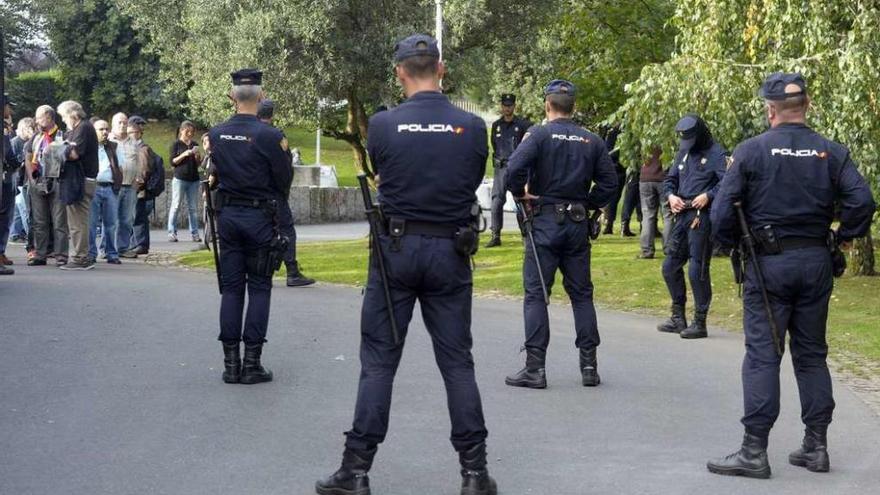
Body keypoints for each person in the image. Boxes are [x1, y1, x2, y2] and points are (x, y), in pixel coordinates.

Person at [316, 35, 497, 495]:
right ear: (441, 69)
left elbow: (385, 172)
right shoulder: (473, 127)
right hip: (450, 251)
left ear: (400, 72)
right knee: (457, 362)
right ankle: (474, 473)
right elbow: (471, 178)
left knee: (378, 362)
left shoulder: (382, 125)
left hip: (395, 252)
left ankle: (355, 470)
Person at [706, 73, 876, 479]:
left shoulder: (751, 151)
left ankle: (754, 450)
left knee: (764, 354)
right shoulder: (831, 152)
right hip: (816, 261)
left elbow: (721, 212)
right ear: (808, 105)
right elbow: (863, 201)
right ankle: (816, 446)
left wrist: (733, 245)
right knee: (812, 353)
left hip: (768, 266)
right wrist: (843, 237)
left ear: (770, 110)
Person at [503, 79, 618, 390]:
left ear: (546, 105)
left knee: (537, 294)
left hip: (544, 221)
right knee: (582, 294)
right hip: (577, 224)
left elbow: (513, 170)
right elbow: (610, 183)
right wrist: (587, 203)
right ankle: (590, 366)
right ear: (574, 107)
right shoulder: (591, 140)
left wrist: (519, 195)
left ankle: (535, 368)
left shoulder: (538, 135)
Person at [207, 69, 291, 386]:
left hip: (228, 217)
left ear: (232, 96)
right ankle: (252, 362)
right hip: (259, 218)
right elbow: (284, 179)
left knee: (231, 289)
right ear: (261, 94)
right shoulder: (271, 136)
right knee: (258, 288)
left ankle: (231, 364)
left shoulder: (216, 134)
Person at [656, 114, 726, 338]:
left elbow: (728, 182)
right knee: (669, 266)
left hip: (701, 216)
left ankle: (699, 321)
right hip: (682, 214)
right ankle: (678, 317)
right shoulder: (682, 153)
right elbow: (669, 180)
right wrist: (670, 196)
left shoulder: (717, 153)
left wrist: (709, 195)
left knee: (697, 270)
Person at [256, 99, 315, 287]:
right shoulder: (276, 135)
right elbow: (284, 167)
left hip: (252, 193)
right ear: (272, 115)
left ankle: (259, 269)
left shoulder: (248, 133)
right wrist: (284, 190)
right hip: (274, 193)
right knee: (286, 229)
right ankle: (292, 270)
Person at [56, 100, 99, 271]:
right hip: (78, 180)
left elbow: (74, 154)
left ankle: (81, 258)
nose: (64, 120)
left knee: (78, 221)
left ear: (73, 114)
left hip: (81, 181)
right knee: (76, 220)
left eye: (64, 117)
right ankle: (82, 255)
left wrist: (59, 149)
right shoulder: (77, 129)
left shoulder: (83, 128)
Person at [26, 105, 69, 267]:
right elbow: (28, 156)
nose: (36, 121)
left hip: (57, 181)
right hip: (38, 181)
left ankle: (61, 255)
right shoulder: (36, 137)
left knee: (59, 221)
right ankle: (40, 254)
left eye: (39, 117)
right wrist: (31, 179)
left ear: (49, 118)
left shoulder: (62, 135)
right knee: (39, 221)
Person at [486, 93, 531, 247]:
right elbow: (495, 144)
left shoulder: (523, 125)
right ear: (501, 106)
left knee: (520, 200)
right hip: (500, 168)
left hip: (517, 168)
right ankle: (495, 235)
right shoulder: (496, 125)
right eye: (505, 105)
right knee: (496, 202)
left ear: (514, 106)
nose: (507, 108)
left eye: (510, 105)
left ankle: (526, 234)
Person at [88, 120, 123, 264]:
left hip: (109, 187)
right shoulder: (89, 147)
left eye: (106, 129)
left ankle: (111, 253)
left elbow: (120, 168)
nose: (105, 132)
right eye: (101, 129)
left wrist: (117, 185)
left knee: (111, 223)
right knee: (91, 223)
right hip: (93, 187)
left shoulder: (114, 147)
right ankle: (91, 253)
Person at [121, 116, 154, 258]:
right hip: (134, 187)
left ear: (138, 133)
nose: (128, 136)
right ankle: (136, 244)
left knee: (138, 217)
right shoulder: (133, 147)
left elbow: (144, 169)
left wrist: (138, 185)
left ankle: (140, 245)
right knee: (135, 217)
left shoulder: (142, 149)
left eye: (131, 133)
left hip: (138, 189)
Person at [167, 120, 202, 243]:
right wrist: (184, 154)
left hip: (193, 179)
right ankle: (172, 232)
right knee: (176, 205)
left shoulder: (195, 144)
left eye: (192, 132)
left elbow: (199, 164)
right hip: (180, 178)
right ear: (182, 130)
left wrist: (197, 157)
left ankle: (195, 233)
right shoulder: (176, 144)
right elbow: (172, 161)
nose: (190, 134)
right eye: (188, 131)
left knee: (193, 208)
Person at [109, 112, 138, 255]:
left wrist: (136, 180)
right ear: (113, 124)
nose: (122, 125)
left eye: (125, 123)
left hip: (130, 186)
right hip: (113, 186)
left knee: (126, 220)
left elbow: (137, 162)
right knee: (110, 220)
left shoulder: (133, 142)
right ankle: (107, 248)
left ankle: (123, 248)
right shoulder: (108, 141)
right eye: (119, 122)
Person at [637, 146, 671, 259]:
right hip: (663, 178)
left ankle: (647, 250)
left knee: (647, 215)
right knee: (668, 215)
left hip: (645, 178)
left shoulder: (644, 133)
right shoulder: (669, 134)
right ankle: (669, 248)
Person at [0, 93, 16, 275]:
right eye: (8, 106)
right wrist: (16, 162)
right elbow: (7, 153)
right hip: (4, 177)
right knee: (4, 216)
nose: (10, 110)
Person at [601, 126, 627, 235]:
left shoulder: (608, 131)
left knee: (611, 197)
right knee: (614, 198)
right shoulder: (620, 132)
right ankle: (609, 223)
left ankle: (608, 223)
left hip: (610, 167)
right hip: (618, 168)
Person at [619, 166, 642, 237]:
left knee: (629, 201)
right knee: (637, 201)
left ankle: (624, 227)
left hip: (633, 175)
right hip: (637, 174)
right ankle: (643, 226)